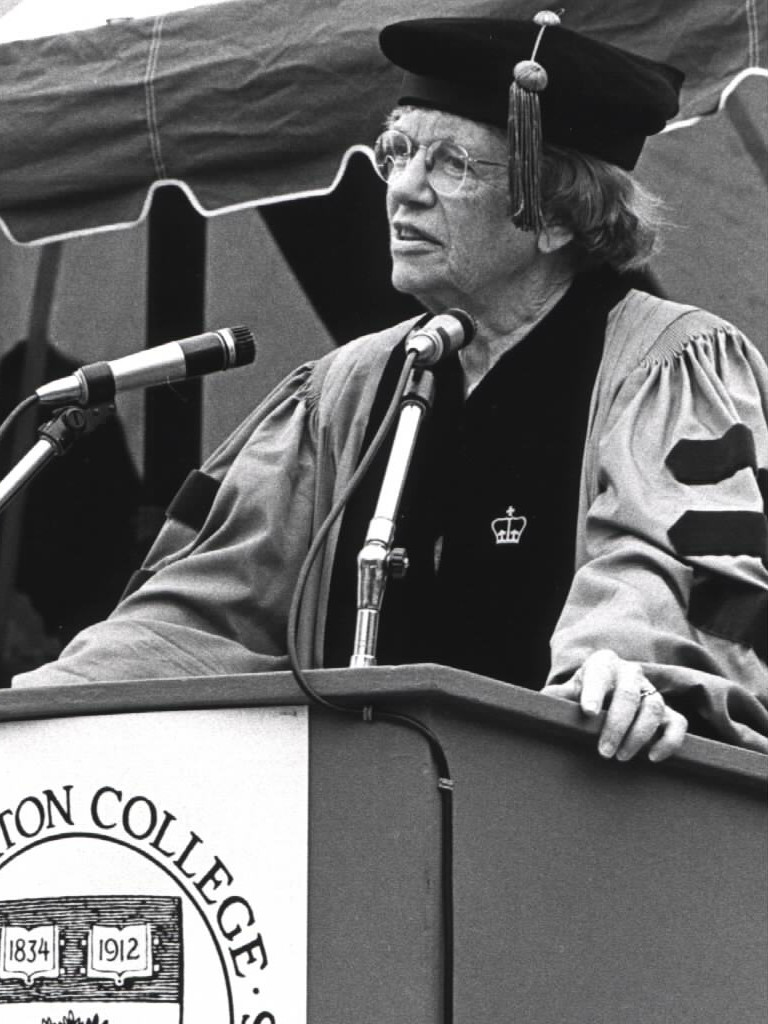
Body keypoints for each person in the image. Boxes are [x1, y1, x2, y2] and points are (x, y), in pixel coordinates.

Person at [13, 14, 768, 760]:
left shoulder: (669, 364)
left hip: (575, 822)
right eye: (396, 152)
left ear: (559, 216)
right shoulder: (346, 390)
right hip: (350, 837)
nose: (402, 190)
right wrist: (36, 707)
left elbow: (667, 562)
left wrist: (620, 663)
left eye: (451, 164)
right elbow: (205, 611)